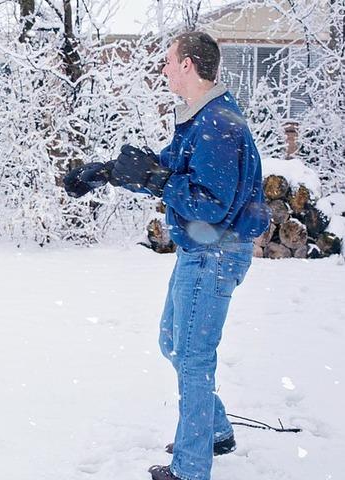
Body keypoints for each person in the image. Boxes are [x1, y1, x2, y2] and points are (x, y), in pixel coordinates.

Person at [64, 32, 270, 480]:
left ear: (190, 65)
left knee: (194, 356)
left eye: (168, 61)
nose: (163, 69)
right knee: (173, 343)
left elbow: (209, 204)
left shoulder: (217, 123)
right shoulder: (203, 118)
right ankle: (214, 430)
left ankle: (191, 470)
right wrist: (109, 172)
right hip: (200, 251)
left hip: (213, 253)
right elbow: (170, 168)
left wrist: (158, 182)